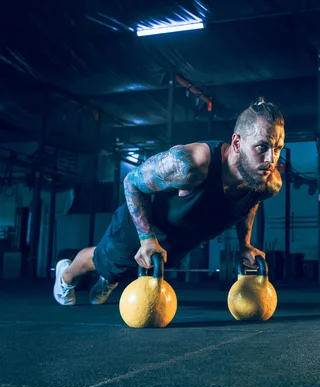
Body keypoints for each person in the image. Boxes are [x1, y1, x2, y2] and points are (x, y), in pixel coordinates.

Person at [53, 99, 285, 306]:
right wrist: (146, 239)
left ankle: (110, 277)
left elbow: (250, 201)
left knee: (128, 269)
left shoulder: (265, 181)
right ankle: (66, 275)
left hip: (178, 239)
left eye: (277, 148)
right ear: (236, 143)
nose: (271, 159)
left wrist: (245, 244)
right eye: (262, 147)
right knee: (104, 261)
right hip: (140, 227)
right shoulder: (189, 165)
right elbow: (131, 182)